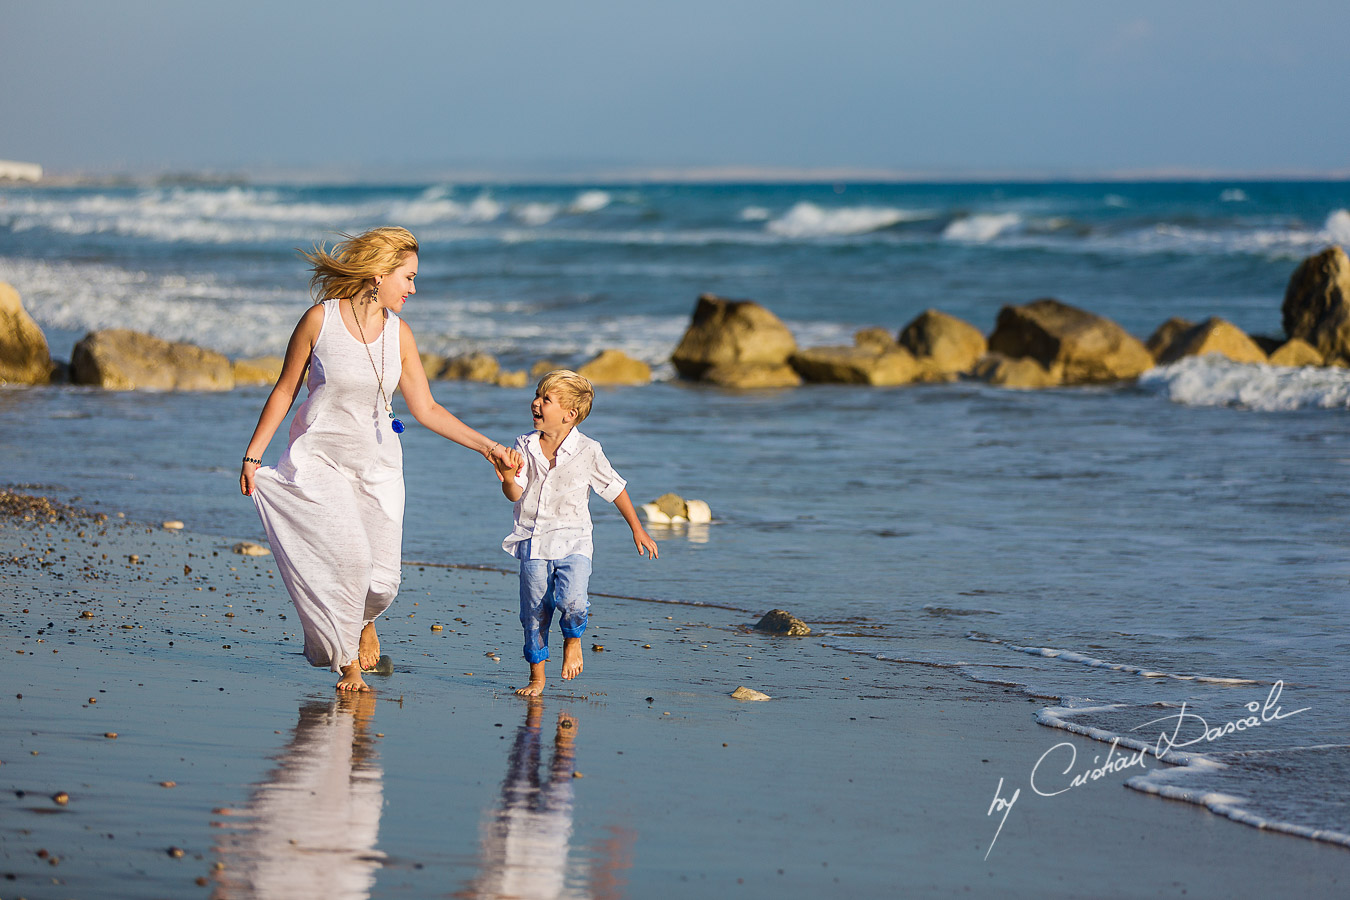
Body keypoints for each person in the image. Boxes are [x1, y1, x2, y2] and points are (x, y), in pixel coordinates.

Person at [240, 226, 520, 692]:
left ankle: (362, 622)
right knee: (350, 561)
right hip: (320, 459)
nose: (413, 288)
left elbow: (426, 409)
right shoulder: (319, 321)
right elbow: (285, 390)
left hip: (380, 468)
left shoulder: (400, 334)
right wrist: (254, 454)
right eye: (407, 277)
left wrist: (488, 448)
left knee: (384, 583)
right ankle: (347, 663)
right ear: (378, 274)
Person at [491, 370, 658, 697]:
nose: (535, 403)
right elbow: (514, 493)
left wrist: (638, 529)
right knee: (534, 613)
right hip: (533, 542)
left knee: (572, 599)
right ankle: (537, 677)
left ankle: (573, 640)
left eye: (546, 400)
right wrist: (508, 476)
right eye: (537, 396)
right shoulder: (523, 445)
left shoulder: (588, 450)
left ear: (570, 415)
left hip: (574, 541)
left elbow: (616, 489)